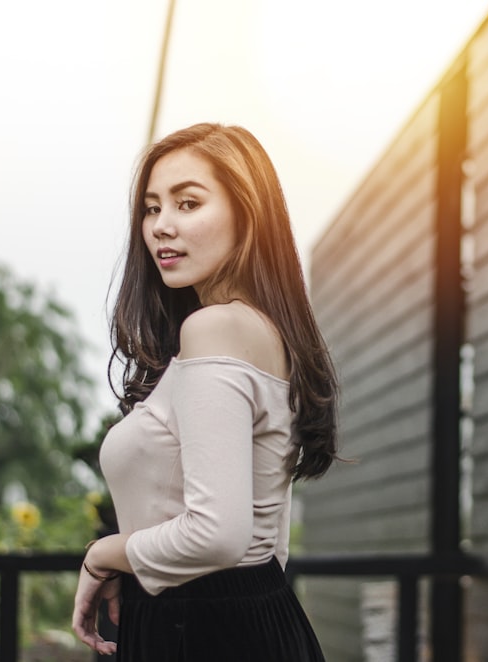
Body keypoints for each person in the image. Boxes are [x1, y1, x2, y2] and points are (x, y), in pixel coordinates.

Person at [72, 123, 336, 661]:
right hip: (240, 616)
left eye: (187, 203)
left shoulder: (214, 329)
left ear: (248, 212)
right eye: (151, 209)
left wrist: (106, 554)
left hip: (199, 626)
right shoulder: (261, 330)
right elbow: (270, 540)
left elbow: (219, 535)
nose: (161, 227)